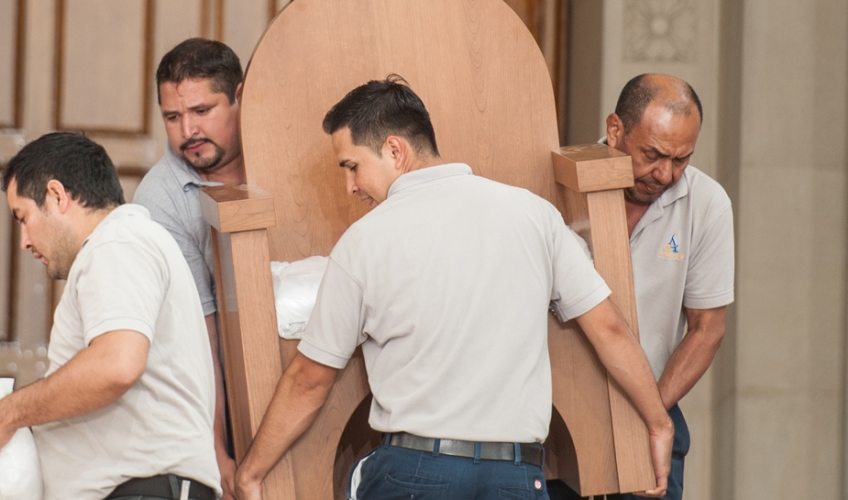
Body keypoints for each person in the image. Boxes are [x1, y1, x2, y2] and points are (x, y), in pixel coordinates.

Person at [232, 76, 674, 500]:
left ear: (394, 149)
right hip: (516, 475)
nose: (350, 186)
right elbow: (610, 329)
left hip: (414, 473)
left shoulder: (365, 242)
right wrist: (658, 423)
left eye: (352, 166)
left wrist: (250, 473)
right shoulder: (534, 216)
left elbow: (309, 381)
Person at [0, 132, 220, 500]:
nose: (24, 240)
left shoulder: (116, 243)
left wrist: (4, 415)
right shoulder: (118, 244)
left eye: (23, 218)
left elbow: (116, 364)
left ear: (57, 195)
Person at [551, 74, 734, 500]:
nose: (665, 173)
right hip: (554, 425)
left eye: (681, 159)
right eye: (651, 154)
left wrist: (649, 411)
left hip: (652, 414)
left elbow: (708, 328)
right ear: (615, 130)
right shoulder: (557, 182)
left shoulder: (707, 203)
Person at [133, 37, 245, 499]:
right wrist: (216, 452)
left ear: (241, 97)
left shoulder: (289, 151)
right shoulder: (160, 199)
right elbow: (200, 335)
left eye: (202, 110)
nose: (187, 131)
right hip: (227, 392)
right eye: (173, 117)